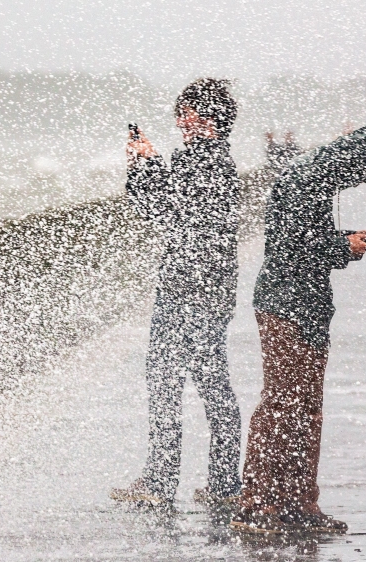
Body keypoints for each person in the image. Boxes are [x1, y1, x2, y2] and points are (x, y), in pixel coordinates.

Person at [230, 123, 366, 534]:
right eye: (361, 175)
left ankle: (298, 502)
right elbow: (293, 248)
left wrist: (346, 238)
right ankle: (256, 504)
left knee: (305, 409)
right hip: (286, 308)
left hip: (307, 307)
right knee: (283, 404)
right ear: (350, 162)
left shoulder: (312, 178)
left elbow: (305, 239)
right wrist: (345, 246)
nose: (357, 183)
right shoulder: (306, 182)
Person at [110, 78, 242, 507]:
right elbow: (178, 210)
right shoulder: (219, 160)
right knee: (212, 382)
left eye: (185, 114)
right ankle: (224, 485)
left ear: (203, 118)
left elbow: (161, 210)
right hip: (214, 285)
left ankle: (159, 484)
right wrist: (149, 166)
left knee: (166, 380)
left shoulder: (197, 159)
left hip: (186, 286)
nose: (180, 122)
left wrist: (143, 165)